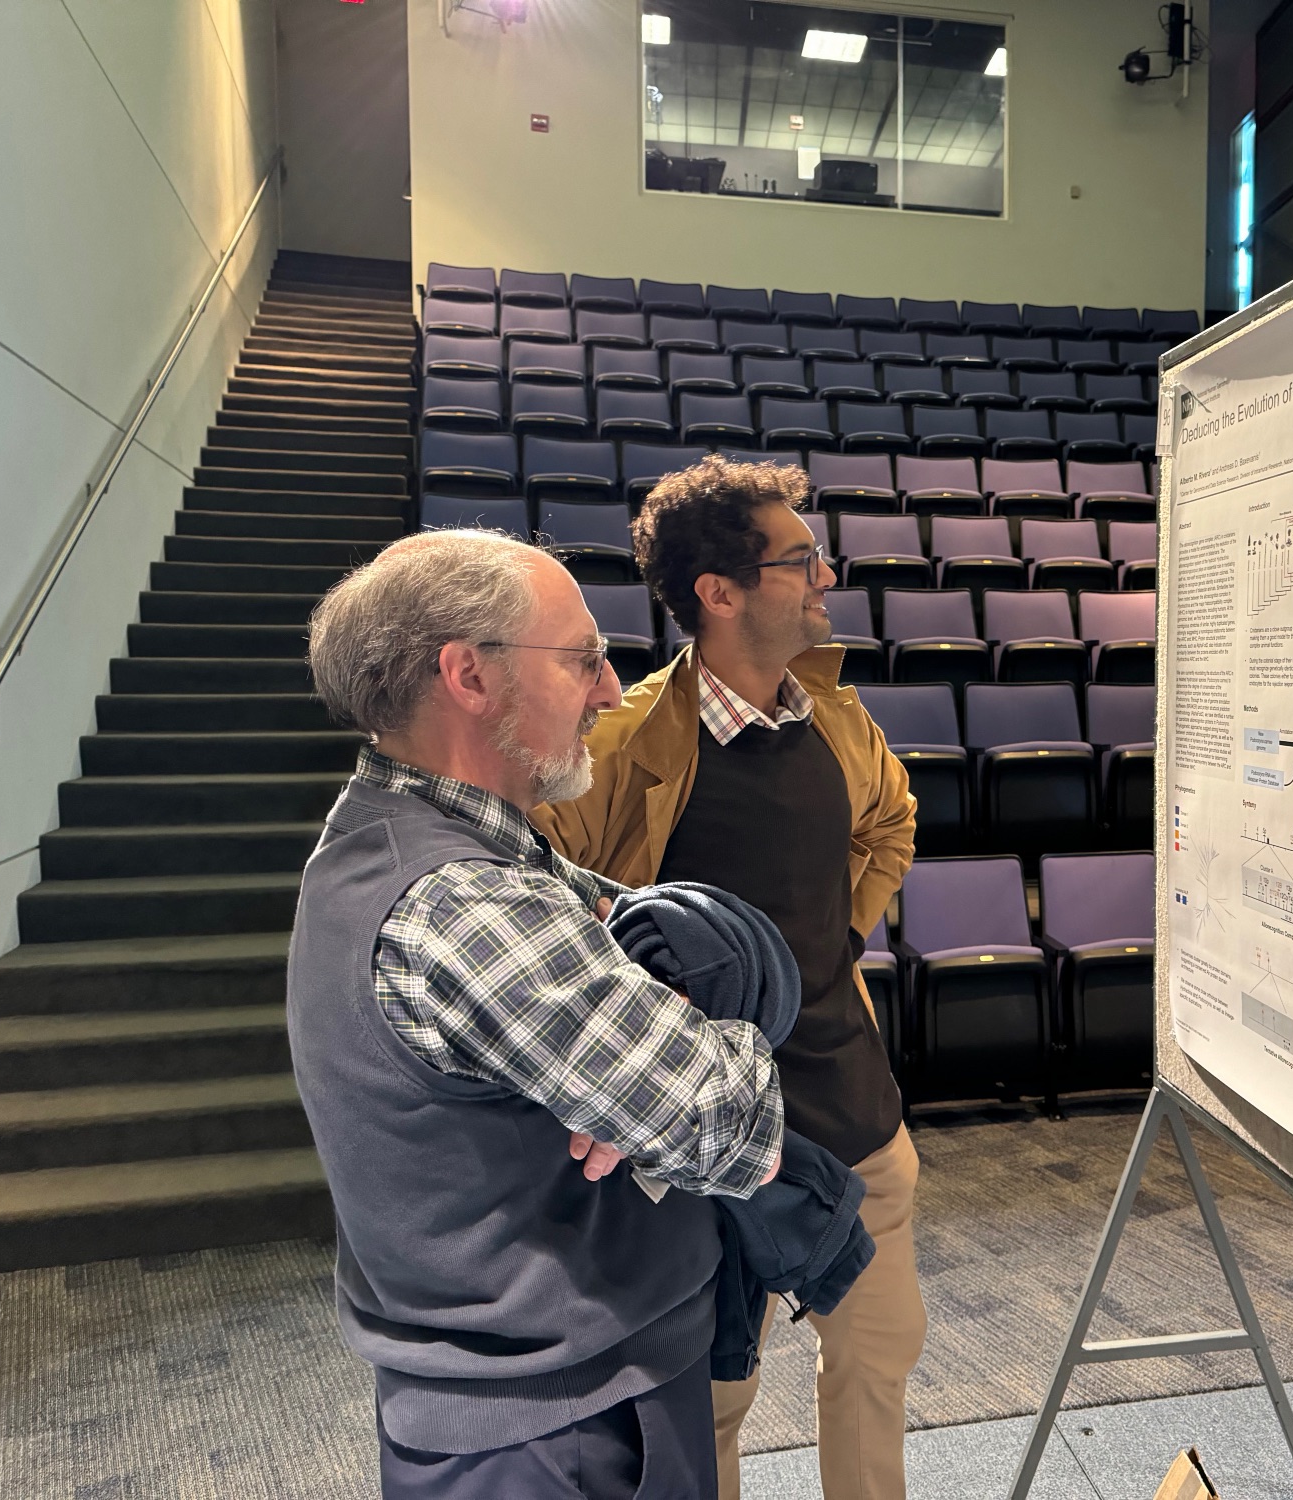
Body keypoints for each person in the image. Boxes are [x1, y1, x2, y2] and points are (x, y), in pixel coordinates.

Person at [291, 529, 784, 1498]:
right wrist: (698, 1032)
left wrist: (678, 1015)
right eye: (582, 658)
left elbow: (694, 941)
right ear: (470, 676)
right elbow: (731, 1125)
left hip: (534, 1406)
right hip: (566, 1432)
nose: (610, 691)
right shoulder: (463, 902)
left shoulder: (412, 834)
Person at [532, 455, 922, 1500]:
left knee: (879, 1362)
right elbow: (538, 893)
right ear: (721, 591)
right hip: (697, 1144)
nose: (826, 576)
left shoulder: (835, 717)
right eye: (801, 559)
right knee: (707, 1406)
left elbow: (890, 822)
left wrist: (824, 946)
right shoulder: (619, 747)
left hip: (854, 1113)